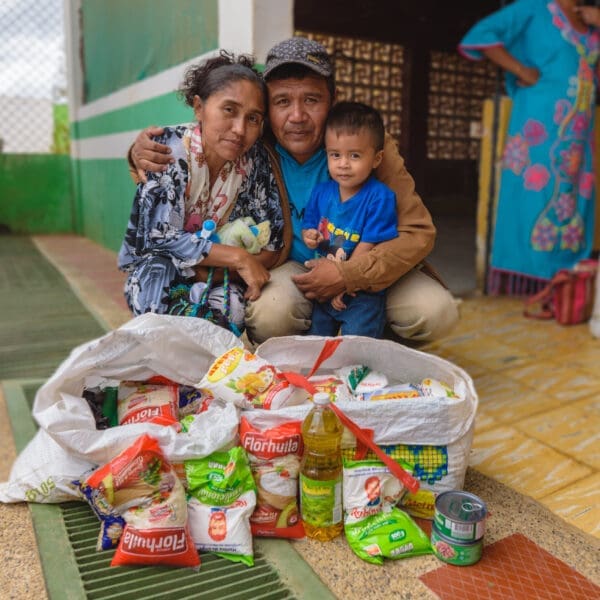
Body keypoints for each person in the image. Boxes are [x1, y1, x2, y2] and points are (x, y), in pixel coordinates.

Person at [129, 37, 459, 344]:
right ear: (267, 109)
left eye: (312, 100)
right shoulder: (254, 143)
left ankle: (373, 343)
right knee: (271, 314)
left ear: (333, 100)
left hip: (368, 263)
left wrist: (349, 274)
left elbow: (417, 232)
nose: (297, 116)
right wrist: (138, 153)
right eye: (282, 101)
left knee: (435, 311)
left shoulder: (367, 147)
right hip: (294, 267)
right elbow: (199, 142)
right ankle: (302, 355)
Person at [118, 51, 286, 334]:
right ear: (199, 108)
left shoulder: (256, 160)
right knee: (155, 298)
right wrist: (239, 258)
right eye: (229, 110)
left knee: (231, 309)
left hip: (216, 274)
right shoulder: (164, 151)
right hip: (159, 269)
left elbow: (273, 239)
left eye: (253, 118)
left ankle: (202, 373)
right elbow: (162, 238)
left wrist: (217, 269)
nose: (239, 129)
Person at [459, 0, 600, 295]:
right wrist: (521, 69)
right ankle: (528, 286)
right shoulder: (534, 8)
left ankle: (565, 287)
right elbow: (482, 34)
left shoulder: (592, 22)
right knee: (533, 200)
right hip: (539, 127)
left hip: (579, 135)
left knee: (575, 203)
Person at [302, 101, 398, 338]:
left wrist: (345, 281)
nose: (343, 164)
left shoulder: (380, 197)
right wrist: (310, 237)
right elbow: (309, 225)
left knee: (356, 344)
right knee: (317, 341)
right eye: (335, 155)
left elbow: (368, 245)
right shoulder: (322, 192)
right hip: (325, 285)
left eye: (354, 155)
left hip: (361, 291)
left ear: (376, 159)